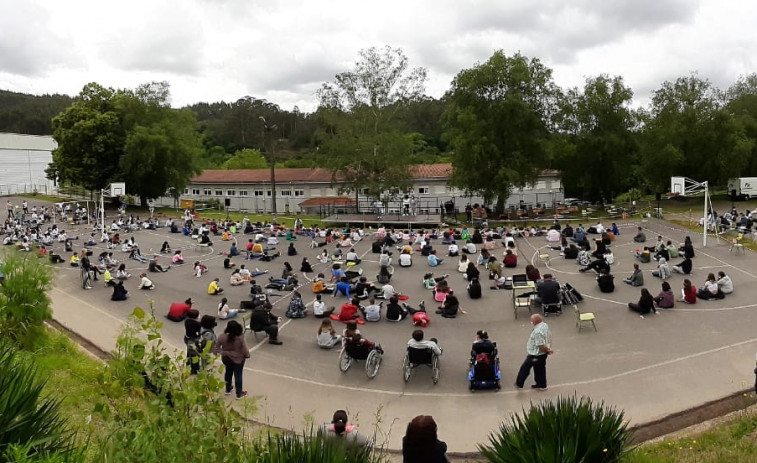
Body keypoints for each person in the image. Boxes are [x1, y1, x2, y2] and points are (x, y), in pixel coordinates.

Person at [515, 314, 553, 390]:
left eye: (531, 321)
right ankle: (541, 384)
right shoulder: (544, 325)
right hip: (542, 354)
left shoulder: (538, 332)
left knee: (525, 368)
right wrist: (548, 349)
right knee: (540, 368)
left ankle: (519, 383)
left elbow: (541, 346)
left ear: (534, 322)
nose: (531, 322)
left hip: (536, 354)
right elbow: (549, 337)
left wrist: (547, 350)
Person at [213, 320, 250, 398]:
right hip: (238, 358)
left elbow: (216, 347)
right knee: (238, 375)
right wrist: (247, 355)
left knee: (228, 372)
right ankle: (239, 393)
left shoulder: (222, 336)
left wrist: (223, 352)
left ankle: (228, 389)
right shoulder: (240, 337)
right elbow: (245, 349)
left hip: (226, 358)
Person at [184, 309, 202, 374]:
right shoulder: (197, 324)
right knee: (195, 355)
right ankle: (195, 369)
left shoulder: (187, 321)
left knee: (189, 354)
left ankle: (188, 365)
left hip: (187, 338)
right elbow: (199, 332)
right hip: (193, 340)